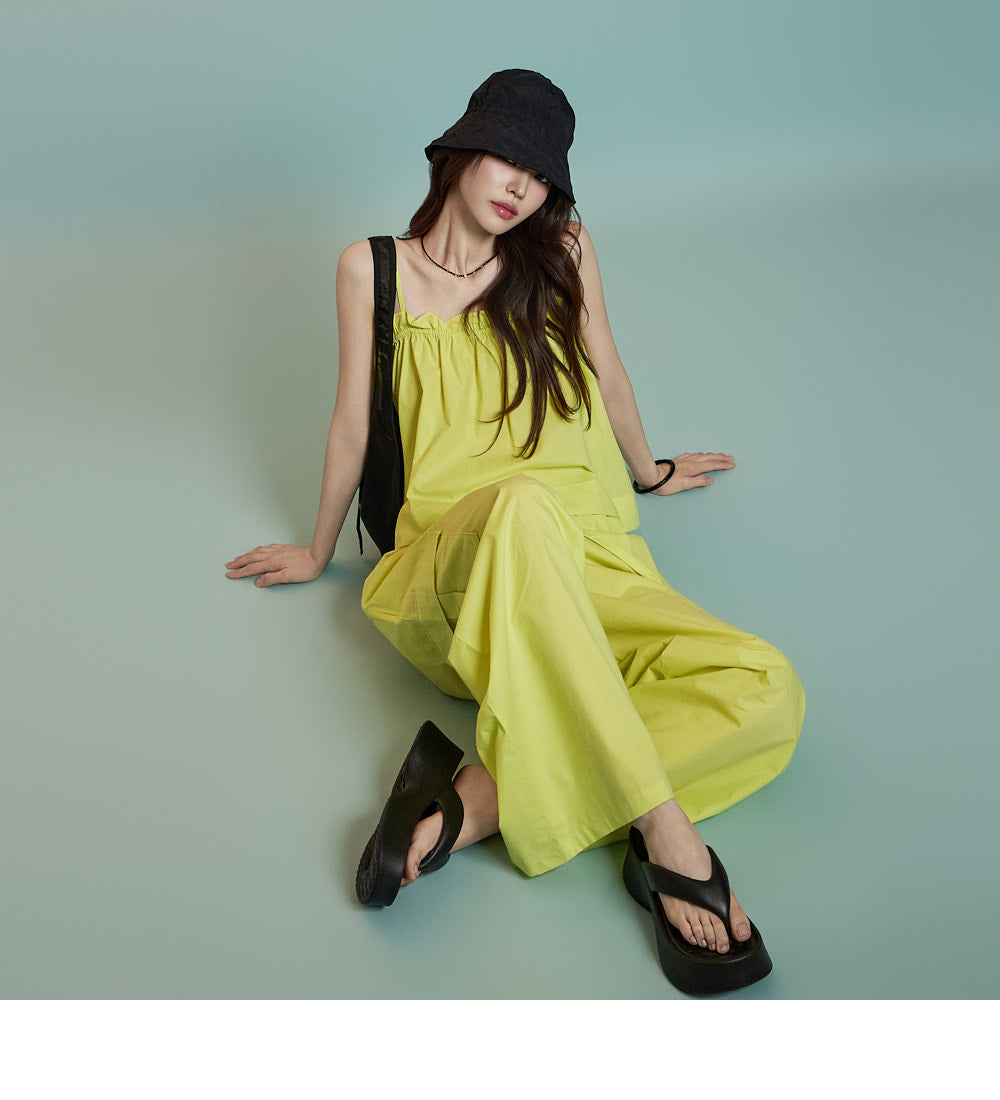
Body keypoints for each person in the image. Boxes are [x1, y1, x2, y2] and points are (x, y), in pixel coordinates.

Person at [225, 69, 805, 995]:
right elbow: (351, 424)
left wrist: (650, 471)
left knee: (767, 687)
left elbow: (607, 367)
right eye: (509, 159)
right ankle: (665, 833)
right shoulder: (372, 270)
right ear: (462, 150)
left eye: (542, 176)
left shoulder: (562, 251)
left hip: (582, 556)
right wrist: (317, 548)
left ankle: (476, 804)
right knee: (521, 502)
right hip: (449, 572)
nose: (521, 188)